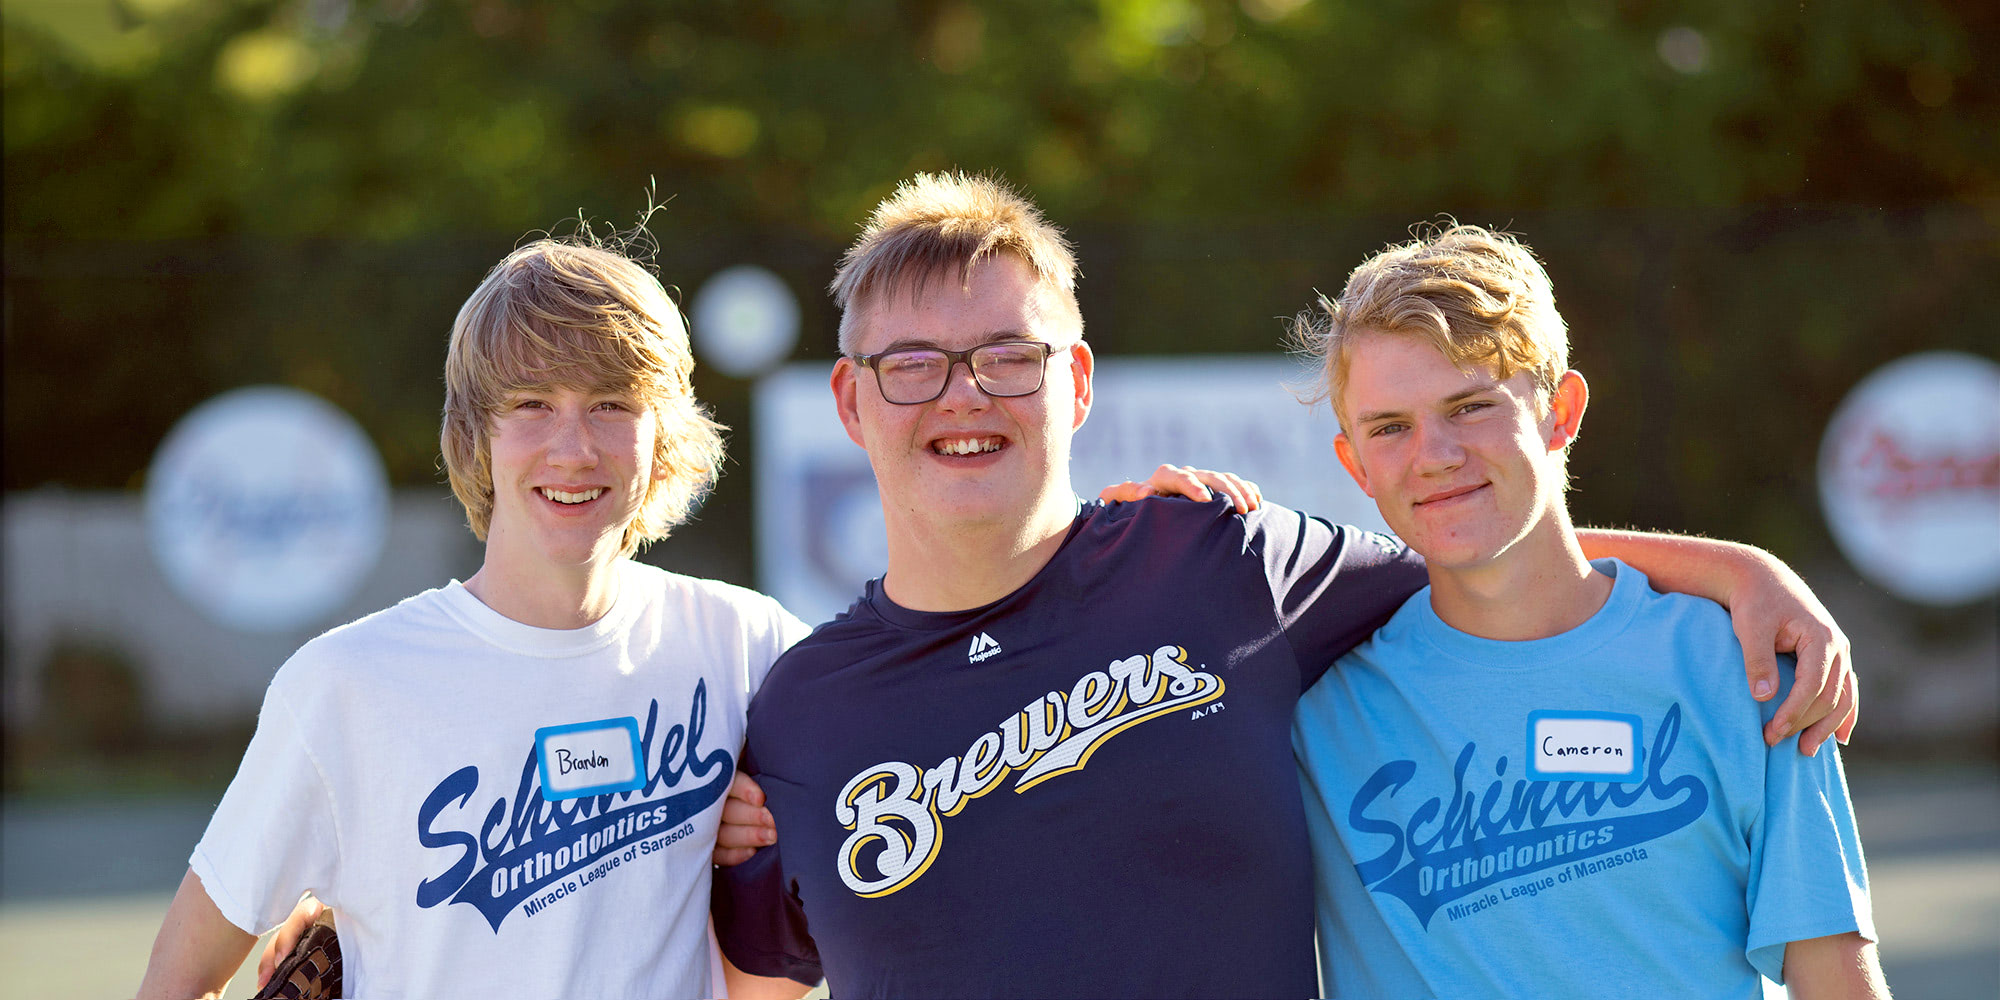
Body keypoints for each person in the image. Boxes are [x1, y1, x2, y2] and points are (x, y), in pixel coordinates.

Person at [711, 173, 1858, 998]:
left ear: (1075, 382)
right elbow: (757, 976)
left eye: (1007, 355)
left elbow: (1484, 550)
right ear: (851, 402)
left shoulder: (1221, 563)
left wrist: (1738, 571)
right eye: (911, 365)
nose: (963, 394)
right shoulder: (802, 709)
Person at [137, 237, 813, 999]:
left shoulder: (747, 646)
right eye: (531, 405)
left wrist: (764, 828)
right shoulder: (346, 685)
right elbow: (177, 978)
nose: (573, 447)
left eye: (611, 405)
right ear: (475, 435)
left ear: (663, 435)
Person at [1289, 223, 1886, 997]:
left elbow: (1834, 976)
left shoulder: (1740, 667)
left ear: (1560, 412)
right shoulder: (1314, 708)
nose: (1433, 454)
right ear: (1355, 464)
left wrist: (1746, 571)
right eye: (1391, 428)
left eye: (1470, 406)